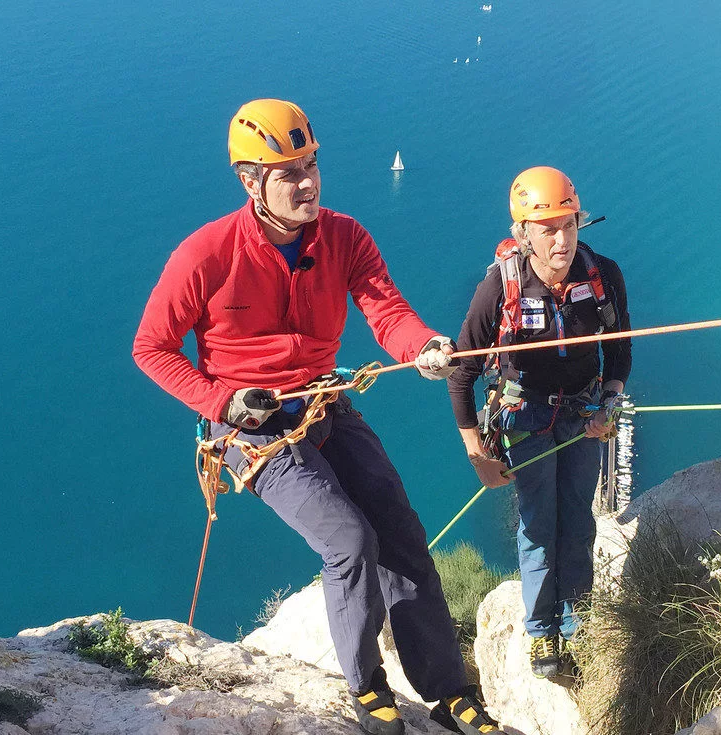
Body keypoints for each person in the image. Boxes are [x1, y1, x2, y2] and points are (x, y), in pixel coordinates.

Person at [133, 99, 506, 735]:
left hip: (323, 401)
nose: (308, 183)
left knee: (401, 530)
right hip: (251, 425)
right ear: (250, 181)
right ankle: (367, 689)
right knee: (349, 540)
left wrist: (422, 346)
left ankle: (448, 692)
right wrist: (221, 402)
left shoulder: (344, 237)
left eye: (311, 165)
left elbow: (386, 310)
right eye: (289, 173)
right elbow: (151, 348)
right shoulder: (207, 254)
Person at [446, 166, 632, 679]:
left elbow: (619, 352)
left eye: (569, 225)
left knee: (578, 518)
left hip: (584, 411)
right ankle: (540, 630)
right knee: (538, 523)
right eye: (548, 230)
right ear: (523, 233)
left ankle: (578, 622)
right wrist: (478, 456)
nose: (562, 241)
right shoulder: (500, 287)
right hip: (525, 416)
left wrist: (608, 404)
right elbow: (461, 374)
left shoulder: (602, 276)